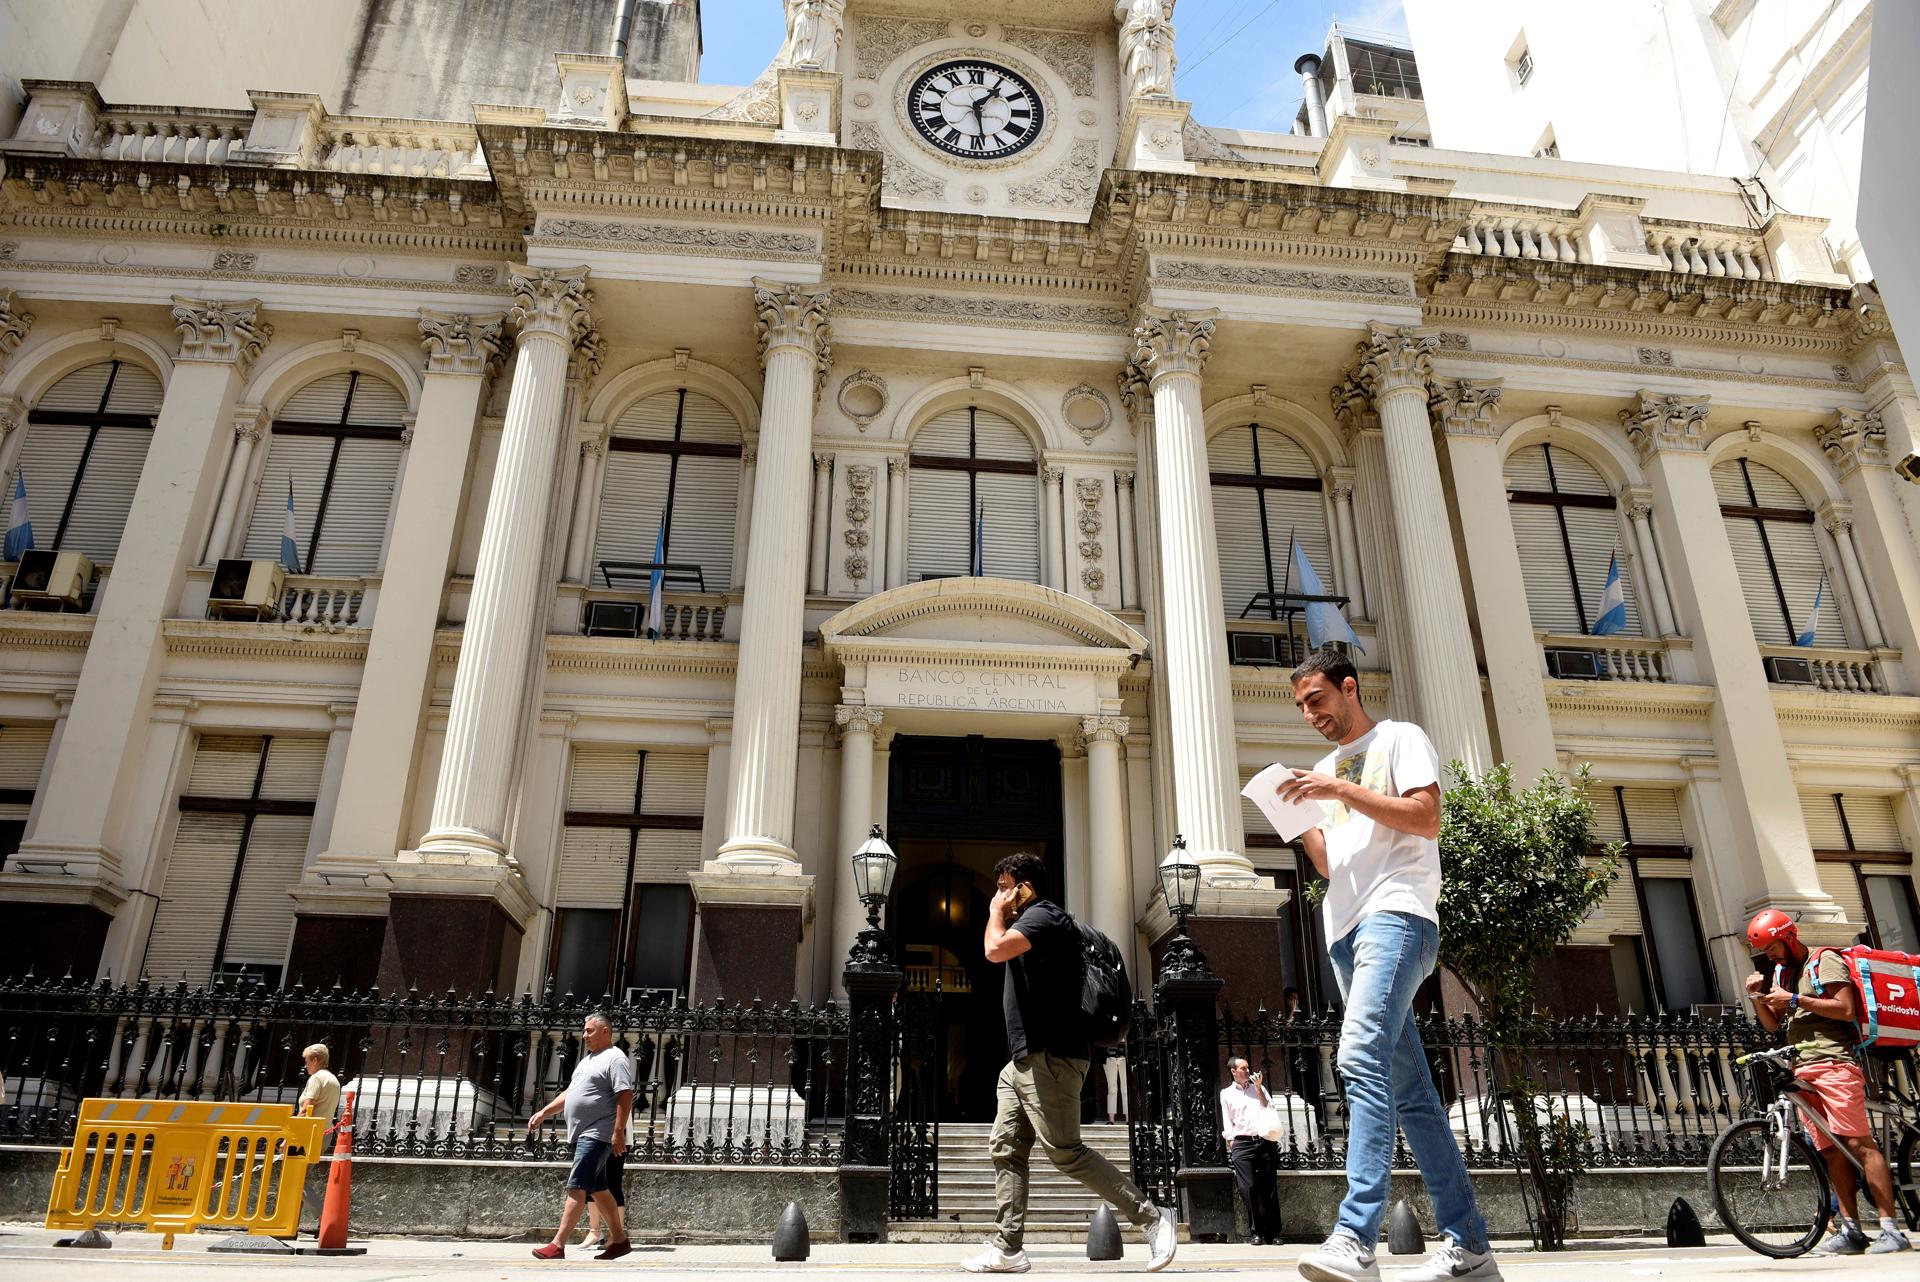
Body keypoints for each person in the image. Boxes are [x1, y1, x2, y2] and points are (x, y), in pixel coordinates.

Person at [1281, 645, 1498, 1282]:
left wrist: (1338, 787)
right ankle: (1470, 1247)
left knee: (1357, 1055)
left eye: (1317, 700)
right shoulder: (1325, 768)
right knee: (1414, 1096)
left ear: (1349, 688)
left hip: (1397, 916)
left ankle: (1355, 1236)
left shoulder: (1399, 738)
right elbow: (1330, 863)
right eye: (1301, 707)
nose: (1311, 715)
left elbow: (1427, 818)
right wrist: (1299, 819)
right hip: (1345, 930)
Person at [962, 850, 1178, 1274]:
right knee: (1005, 1147)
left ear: (1026, 887)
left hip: (1053, 1055)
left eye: (1005, 886)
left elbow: (993, 949)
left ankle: (1153, 1219)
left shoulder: (1044, 917)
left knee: (1065, 1152)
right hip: (1023, 1059)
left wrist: (994, 912)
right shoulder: (1032, 920)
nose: (999, 894)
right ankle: (1008, 1247)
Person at [1744, 909, 1912, 1255]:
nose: (1769, 955)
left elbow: (1845, 1009)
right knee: (1830, 1151)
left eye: (1772, 947)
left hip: (1835, 1064)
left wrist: (1793, 999)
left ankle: (1892, 1230)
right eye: (1765, 951)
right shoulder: (1782, 972)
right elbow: (1774, 1026)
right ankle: (1851, 1231)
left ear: (1788, 937)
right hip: (1803, 1069)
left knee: (1860, 1145)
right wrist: (1758, 998)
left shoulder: (1825, 961)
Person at [528, 1012, 634, 1261]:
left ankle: (557, 1244)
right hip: (583, 1133)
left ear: (605, 1031)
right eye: (584, 1030)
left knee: (577, 1184)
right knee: (598, 1188)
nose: (584, 1035)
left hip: (597, 1134)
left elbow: (625, 1095)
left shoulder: (615, 1058)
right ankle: (619, 1241)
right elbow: (571, 1092)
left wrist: (618, 1132)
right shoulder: (587, 1060)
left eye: (589, 1030)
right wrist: (544, 1111)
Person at [1221, 1057, 1282, 1246]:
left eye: (1248, 1067)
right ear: (1233, 1071)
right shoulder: (1226, 1093)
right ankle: (1256, 1232)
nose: (1248, 1071)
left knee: (1269, 1188)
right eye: (1243, 1068)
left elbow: (1269, 1108)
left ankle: (1274, 1232)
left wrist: (1258, 1089)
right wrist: (1232, 1142)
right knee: (1248, 1188)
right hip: (1242, 1143)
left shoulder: (1259, 1088)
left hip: (1263, 1141)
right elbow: (1226, 1118)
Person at [296, 1043, 341, 1125]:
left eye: (306, 1062)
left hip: (310, 1131)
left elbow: (306, 1110)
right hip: (326, 1131)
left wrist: (292, 1128)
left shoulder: (316, 1078)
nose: (305, 1066)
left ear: (315, 1061)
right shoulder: (333, 1079)